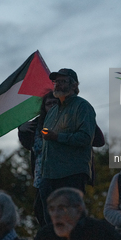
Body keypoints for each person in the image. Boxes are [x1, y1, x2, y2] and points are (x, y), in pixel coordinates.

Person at [39, 68, 97, 224]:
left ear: (74, 85)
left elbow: (85, 138)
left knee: (73, 223)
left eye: (62, 81)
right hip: (48, 176)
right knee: (50, 224)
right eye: (56, 81)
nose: (57, 85)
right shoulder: (52, 112)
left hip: (71, 175)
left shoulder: (82, 107)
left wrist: (57, 136)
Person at [32, 187, 121, 240]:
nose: (55, 215)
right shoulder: (45, 236)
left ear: (78, 209)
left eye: (62, 208)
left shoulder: (100, 231)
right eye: (52, 209)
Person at [18, 90, 59, 226]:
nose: (51, 106)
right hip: (41, 176)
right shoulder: (38, 124)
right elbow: (29, 144)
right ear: (44, 107)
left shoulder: (66, 119)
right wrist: (22, 129)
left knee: (57, 211)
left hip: (61, 174)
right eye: (48, 103)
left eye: (55, 102)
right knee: (40, 210)